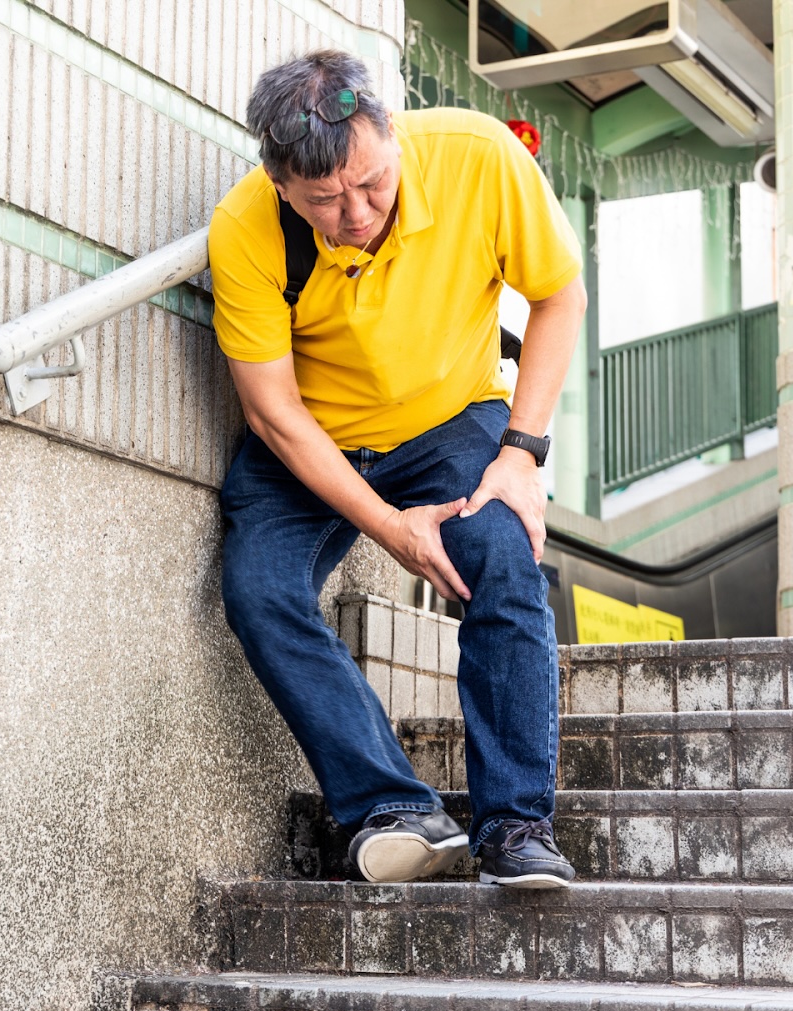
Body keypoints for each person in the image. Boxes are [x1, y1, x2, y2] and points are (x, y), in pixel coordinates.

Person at [209, 50, 587, 887]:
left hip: (451, 415)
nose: (356, 213)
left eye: (372, 183)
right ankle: (390, 804)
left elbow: (560, 295)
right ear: (281, 187)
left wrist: (522, 455)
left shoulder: (479, 156)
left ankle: (515, 823)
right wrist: (388, 528)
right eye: (324, 201)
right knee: (259, 589)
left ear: (392, 134)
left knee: (501, 548)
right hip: (316, 434)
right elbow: (274, 414)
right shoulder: (245, 229)